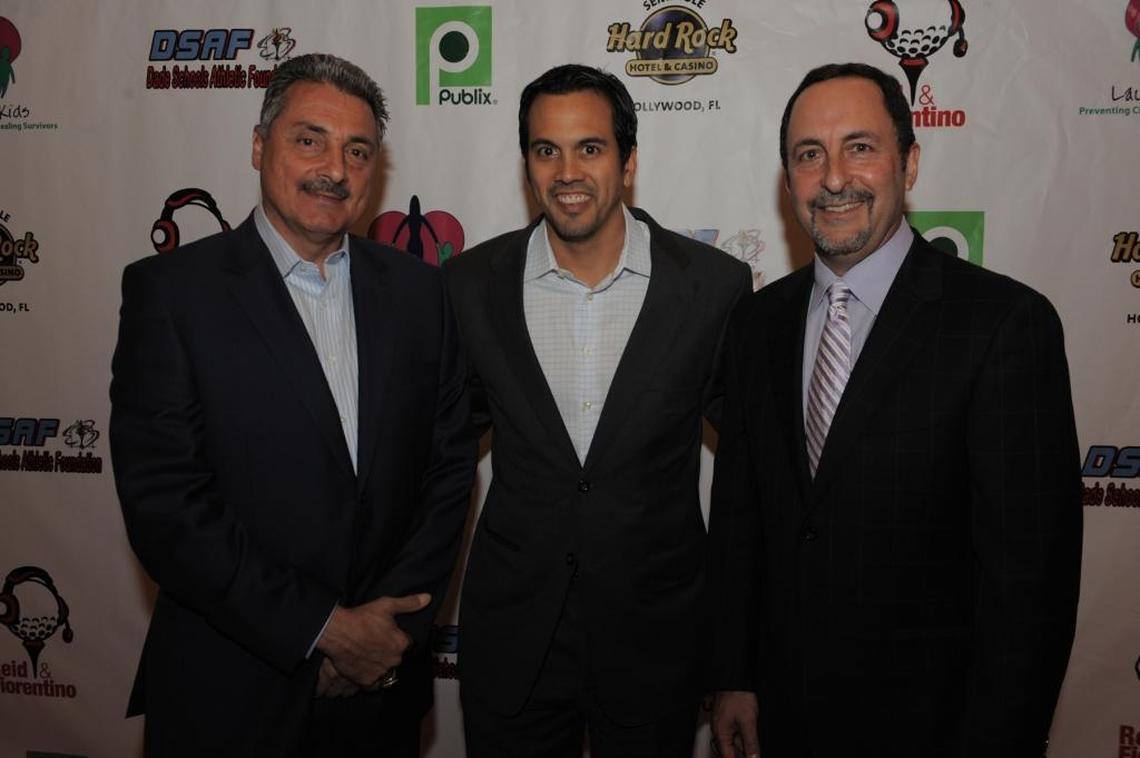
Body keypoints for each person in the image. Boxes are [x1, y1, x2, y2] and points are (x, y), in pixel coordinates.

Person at [706, 62, 1082, 758]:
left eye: (861, 146)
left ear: (909, 163)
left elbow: (1030, 582)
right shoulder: (757, 325)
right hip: (781, 719)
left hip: (938, 726)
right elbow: (740, 518)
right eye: (808, 155)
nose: (835, 177)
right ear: (788, 179)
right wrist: (733, 675)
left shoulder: (1002, 324)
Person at [109, 53, 475, 757]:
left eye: (357, 150)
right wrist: (326, 631)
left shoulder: (421, 294)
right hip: (229, 693)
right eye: (310, 139)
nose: (334, 168)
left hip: (380, 696)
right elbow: (165, 506)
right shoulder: (173, 294)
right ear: (259, 145)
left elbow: (450, 468)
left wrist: (383, 636)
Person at [444, 63, 752, 757]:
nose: (567, 170)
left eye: (590, 147)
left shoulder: (712, 288)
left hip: (655, 642)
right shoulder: (470, 285)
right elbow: (437, 458)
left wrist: (743, 651)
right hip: (514, 642)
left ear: (629, 161)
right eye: (545, 149)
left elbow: (755, 475)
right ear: (527, 164)